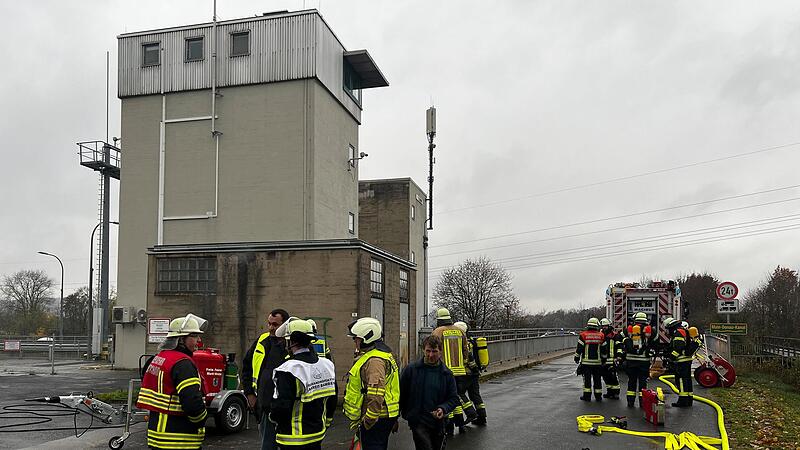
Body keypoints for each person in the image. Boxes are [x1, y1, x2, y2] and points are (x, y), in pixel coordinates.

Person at [136, 314, 208, 450]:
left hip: (157, 436)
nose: (199, 340)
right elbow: (192, 404)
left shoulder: (160, 358)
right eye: (194, 336)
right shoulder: (183, 364)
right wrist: (202, 419)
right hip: (178, 439)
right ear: (181, 339)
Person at [270, 319, 337, 449]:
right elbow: (332, 400)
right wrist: (326, 422)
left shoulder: (288, 369)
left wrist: (273, 418)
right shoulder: (327, 365)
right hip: (318, 434)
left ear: (292, 342)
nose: (285, 345)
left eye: (287, 341)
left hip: (292, 439)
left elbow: (281, 407)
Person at [343, 317, 401, 450]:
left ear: (366, 338)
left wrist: (368, 419)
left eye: (356, 338)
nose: (355, 341)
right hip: (382, 416)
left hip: (376, 418)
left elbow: (376, 393)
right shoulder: (381, 354)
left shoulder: (375, 360)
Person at [399, 334, 460, 450]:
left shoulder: (446, 374)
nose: (430, 355)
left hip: (438, 423)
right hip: (418, 421)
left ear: (440, 352)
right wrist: (395, 419)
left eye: (434, 351)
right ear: (423, 350)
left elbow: (453, 398)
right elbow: (401, 395)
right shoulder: (411, 370)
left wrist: (443, 408)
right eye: (428, 351)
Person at [241, 308, 290, 450]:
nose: (270, 328)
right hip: (263, 407)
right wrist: (249, 394)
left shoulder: (290, 345)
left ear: (284, 325)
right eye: (269, 324)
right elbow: (247, 367)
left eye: (275, 325)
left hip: (283, 408)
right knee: (267, 445)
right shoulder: (262, 340)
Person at [431, 308, 477, 435]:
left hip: (444, 371)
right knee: (455, 397)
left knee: (446, 398)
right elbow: (466, 351)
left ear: (439, 320)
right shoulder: (460, 331)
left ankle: (449, 427)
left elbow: (433, 352)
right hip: (460, 371)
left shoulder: (437, 332)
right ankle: (460, 424)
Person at [453, 321, 487, 425]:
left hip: (465, 373)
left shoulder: (462, 343)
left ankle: (471, 413)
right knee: (475, 395)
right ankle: (482, 417)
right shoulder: (471, 341)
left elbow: (468, 358)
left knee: (459, 393)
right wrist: (476, 370)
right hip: (474, 374)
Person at [620, 317, 652, 407]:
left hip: (631, 362)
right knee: (643, 383)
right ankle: (643, 403)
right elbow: (655, 341)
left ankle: (630, 403)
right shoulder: (649, 330)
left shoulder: (629, 330)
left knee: (631, 382)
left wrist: (623, 346)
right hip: (644, 362)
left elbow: (619, 337)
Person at [575, 317, 608, 402]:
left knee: (587, 380)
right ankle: (598, 396)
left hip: (586, 363)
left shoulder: (583, 335)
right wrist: (604, 359)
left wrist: (577, 357)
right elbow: (604, 349)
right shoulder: (601, 335)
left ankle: (587, 396)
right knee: (597, 380)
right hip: (597, 363)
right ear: (597, 325)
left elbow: (579, 348)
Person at [665, 317, 694, 407]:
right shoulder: (682, 330)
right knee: (687, 380)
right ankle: (689, 400)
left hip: (681, 360)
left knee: (681, 380)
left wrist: (671, 357)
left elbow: (678, 347)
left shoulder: (677, 333)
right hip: (686, 359)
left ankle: (683, 401)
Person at [599, 318, 622, 399]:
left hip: (612, 359)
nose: (604, 328)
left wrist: (619, 356)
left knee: (613, 377)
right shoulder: (601, 335)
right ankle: (609, 392)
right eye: (603, 326)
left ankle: (616, 393)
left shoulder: (614, 335)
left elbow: (619, 346)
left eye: (605, 326)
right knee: (606, 377)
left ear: (609, 326)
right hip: (603, 360)